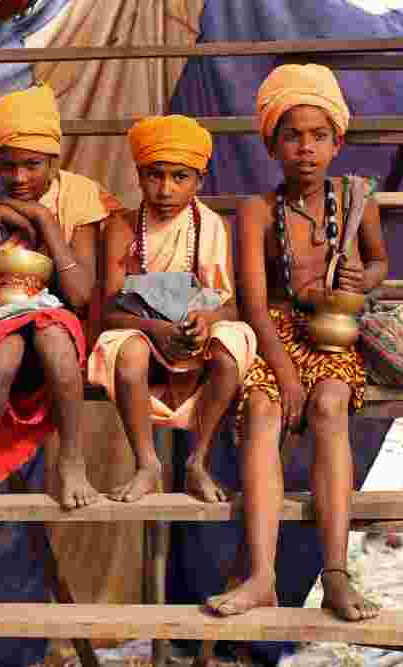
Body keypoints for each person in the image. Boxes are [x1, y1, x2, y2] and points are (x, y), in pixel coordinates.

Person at [205, 64, 388, 621]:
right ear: (272, 144)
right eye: (292, 136)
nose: (305, 148)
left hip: (333, 336)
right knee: (262, 410)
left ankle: (335, 573)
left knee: (331, 406)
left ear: (337, 141)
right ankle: (261, 576)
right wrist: (283, 376)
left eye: (317, 136)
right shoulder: (257, 212)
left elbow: (379, 262)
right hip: (277, 335)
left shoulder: (358, 200)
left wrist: (364, 280)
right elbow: (255, 306)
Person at [0, 84, 120, 509]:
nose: (19, 178)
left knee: (55, 341)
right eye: (8, 166)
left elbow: (78, 294)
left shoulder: (78, 198)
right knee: (2, 356)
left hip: (57, 324)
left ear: (55, 160)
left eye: (33, 165)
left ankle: (72, 463)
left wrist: (45, 221)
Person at [88, 115, 256, 503]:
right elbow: (110, 312)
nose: (165, 189)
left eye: (180, 177)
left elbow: (230, 307)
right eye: (154, 175)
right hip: (138, 331)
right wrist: (154, 328)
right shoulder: (122, 227)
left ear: (199, 180)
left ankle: (198, 461)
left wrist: (208, 318)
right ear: (138, 175)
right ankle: (147, 463)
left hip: (193, 333)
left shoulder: (211, 226)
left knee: (232, 350)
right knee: (128, 354)